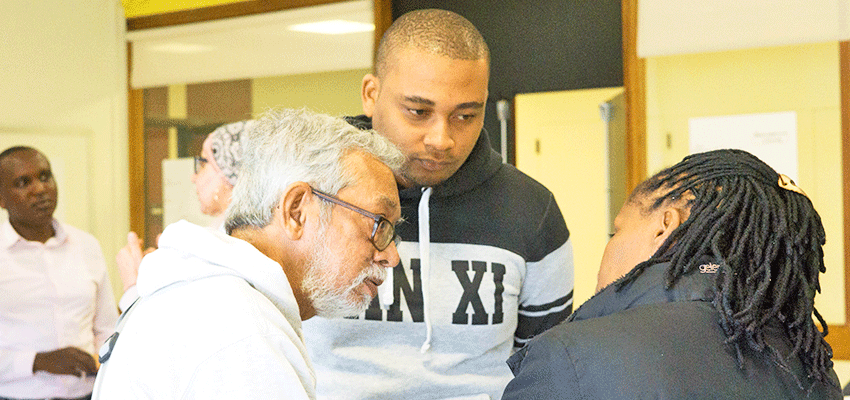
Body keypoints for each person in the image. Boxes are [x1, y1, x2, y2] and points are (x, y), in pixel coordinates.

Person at [302, 9, 575, 399]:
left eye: (465, 115)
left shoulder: (532, 211)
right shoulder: (307, 194)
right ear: (371, 94)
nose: (442, 139)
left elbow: (541, 367)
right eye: (418, 112)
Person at [91, 108, 405, 399]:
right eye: (379, 224)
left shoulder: (214, 297)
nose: (392, 256)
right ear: (297, 210)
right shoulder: (244, 333)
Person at [501, 149, 842, 399]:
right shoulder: (812, 365)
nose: (609, 248)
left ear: (666, 226)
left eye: (615, 232)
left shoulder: (566, 357)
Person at [0, 146, 118, 400]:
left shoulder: (86, 245)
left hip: (88, 394)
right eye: (23, 182)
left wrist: (102, 361)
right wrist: (37, 361)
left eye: (45, 177)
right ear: (1, 198)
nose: (40, 189)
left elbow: (106, 328)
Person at [116, 120, 252, 312]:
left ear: (230, 171)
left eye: (203, 163)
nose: (193, 177)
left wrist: (132, 285)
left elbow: (180, 331)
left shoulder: (229, 244)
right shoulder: (227, 234)